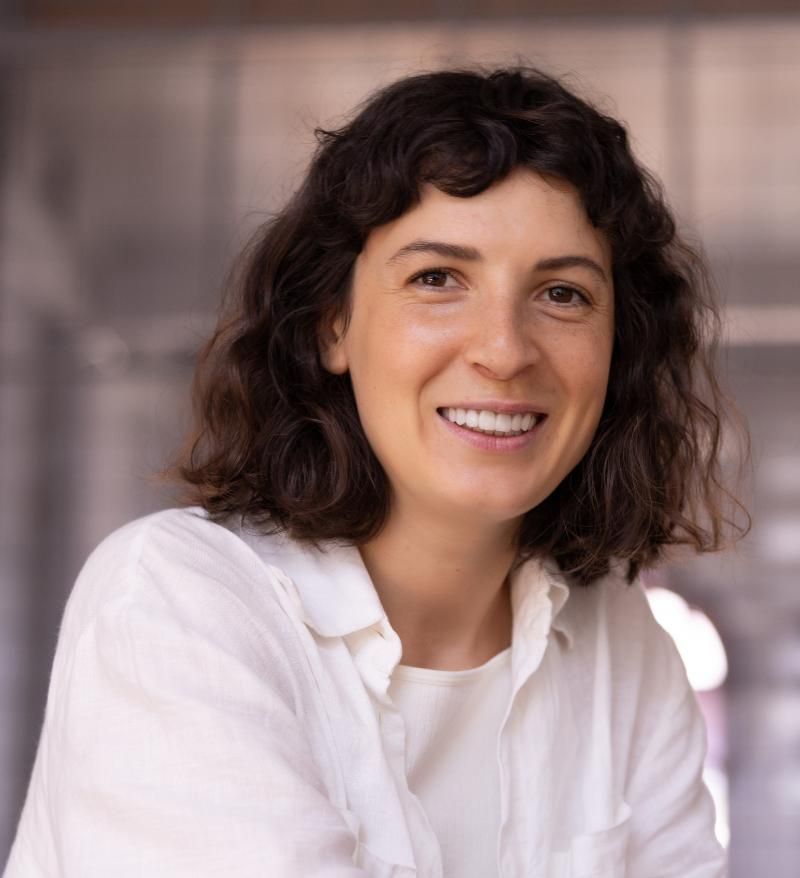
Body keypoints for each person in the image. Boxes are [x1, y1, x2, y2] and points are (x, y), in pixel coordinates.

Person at [4, 66, 746, 878]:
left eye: (563, 294)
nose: (503, 349)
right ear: (333, 326)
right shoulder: (174, 601)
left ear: (617, 349)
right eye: (437, 279)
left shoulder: (626, 648)